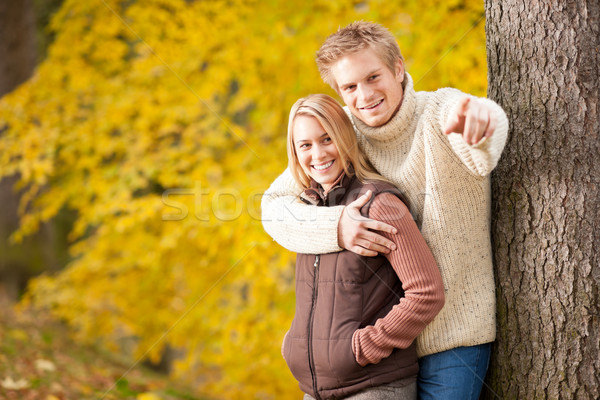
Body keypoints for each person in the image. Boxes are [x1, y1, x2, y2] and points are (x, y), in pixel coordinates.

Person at [262, 21, 509, 399]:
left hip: (451, 338)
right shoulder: (341, 138)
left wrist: (483, 126)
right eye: (349, 87)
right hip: (384, 353)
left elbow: (479, 140)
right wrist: (337, 228)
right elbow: (274, 208)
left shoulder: (439, 110)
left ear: (398, 68)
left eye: (373, 76)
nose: (364, 94)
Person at [281, 93, 444, 400]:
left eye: (327, 138)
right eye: (305, 145)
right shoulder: (309, 210)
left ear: (345, 138)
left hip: (373, 387)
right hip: (314, 389)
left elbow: (427, 293)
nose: (317, 153)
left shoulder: (378, 203)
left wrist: (362, 347)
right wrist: (293, 344)